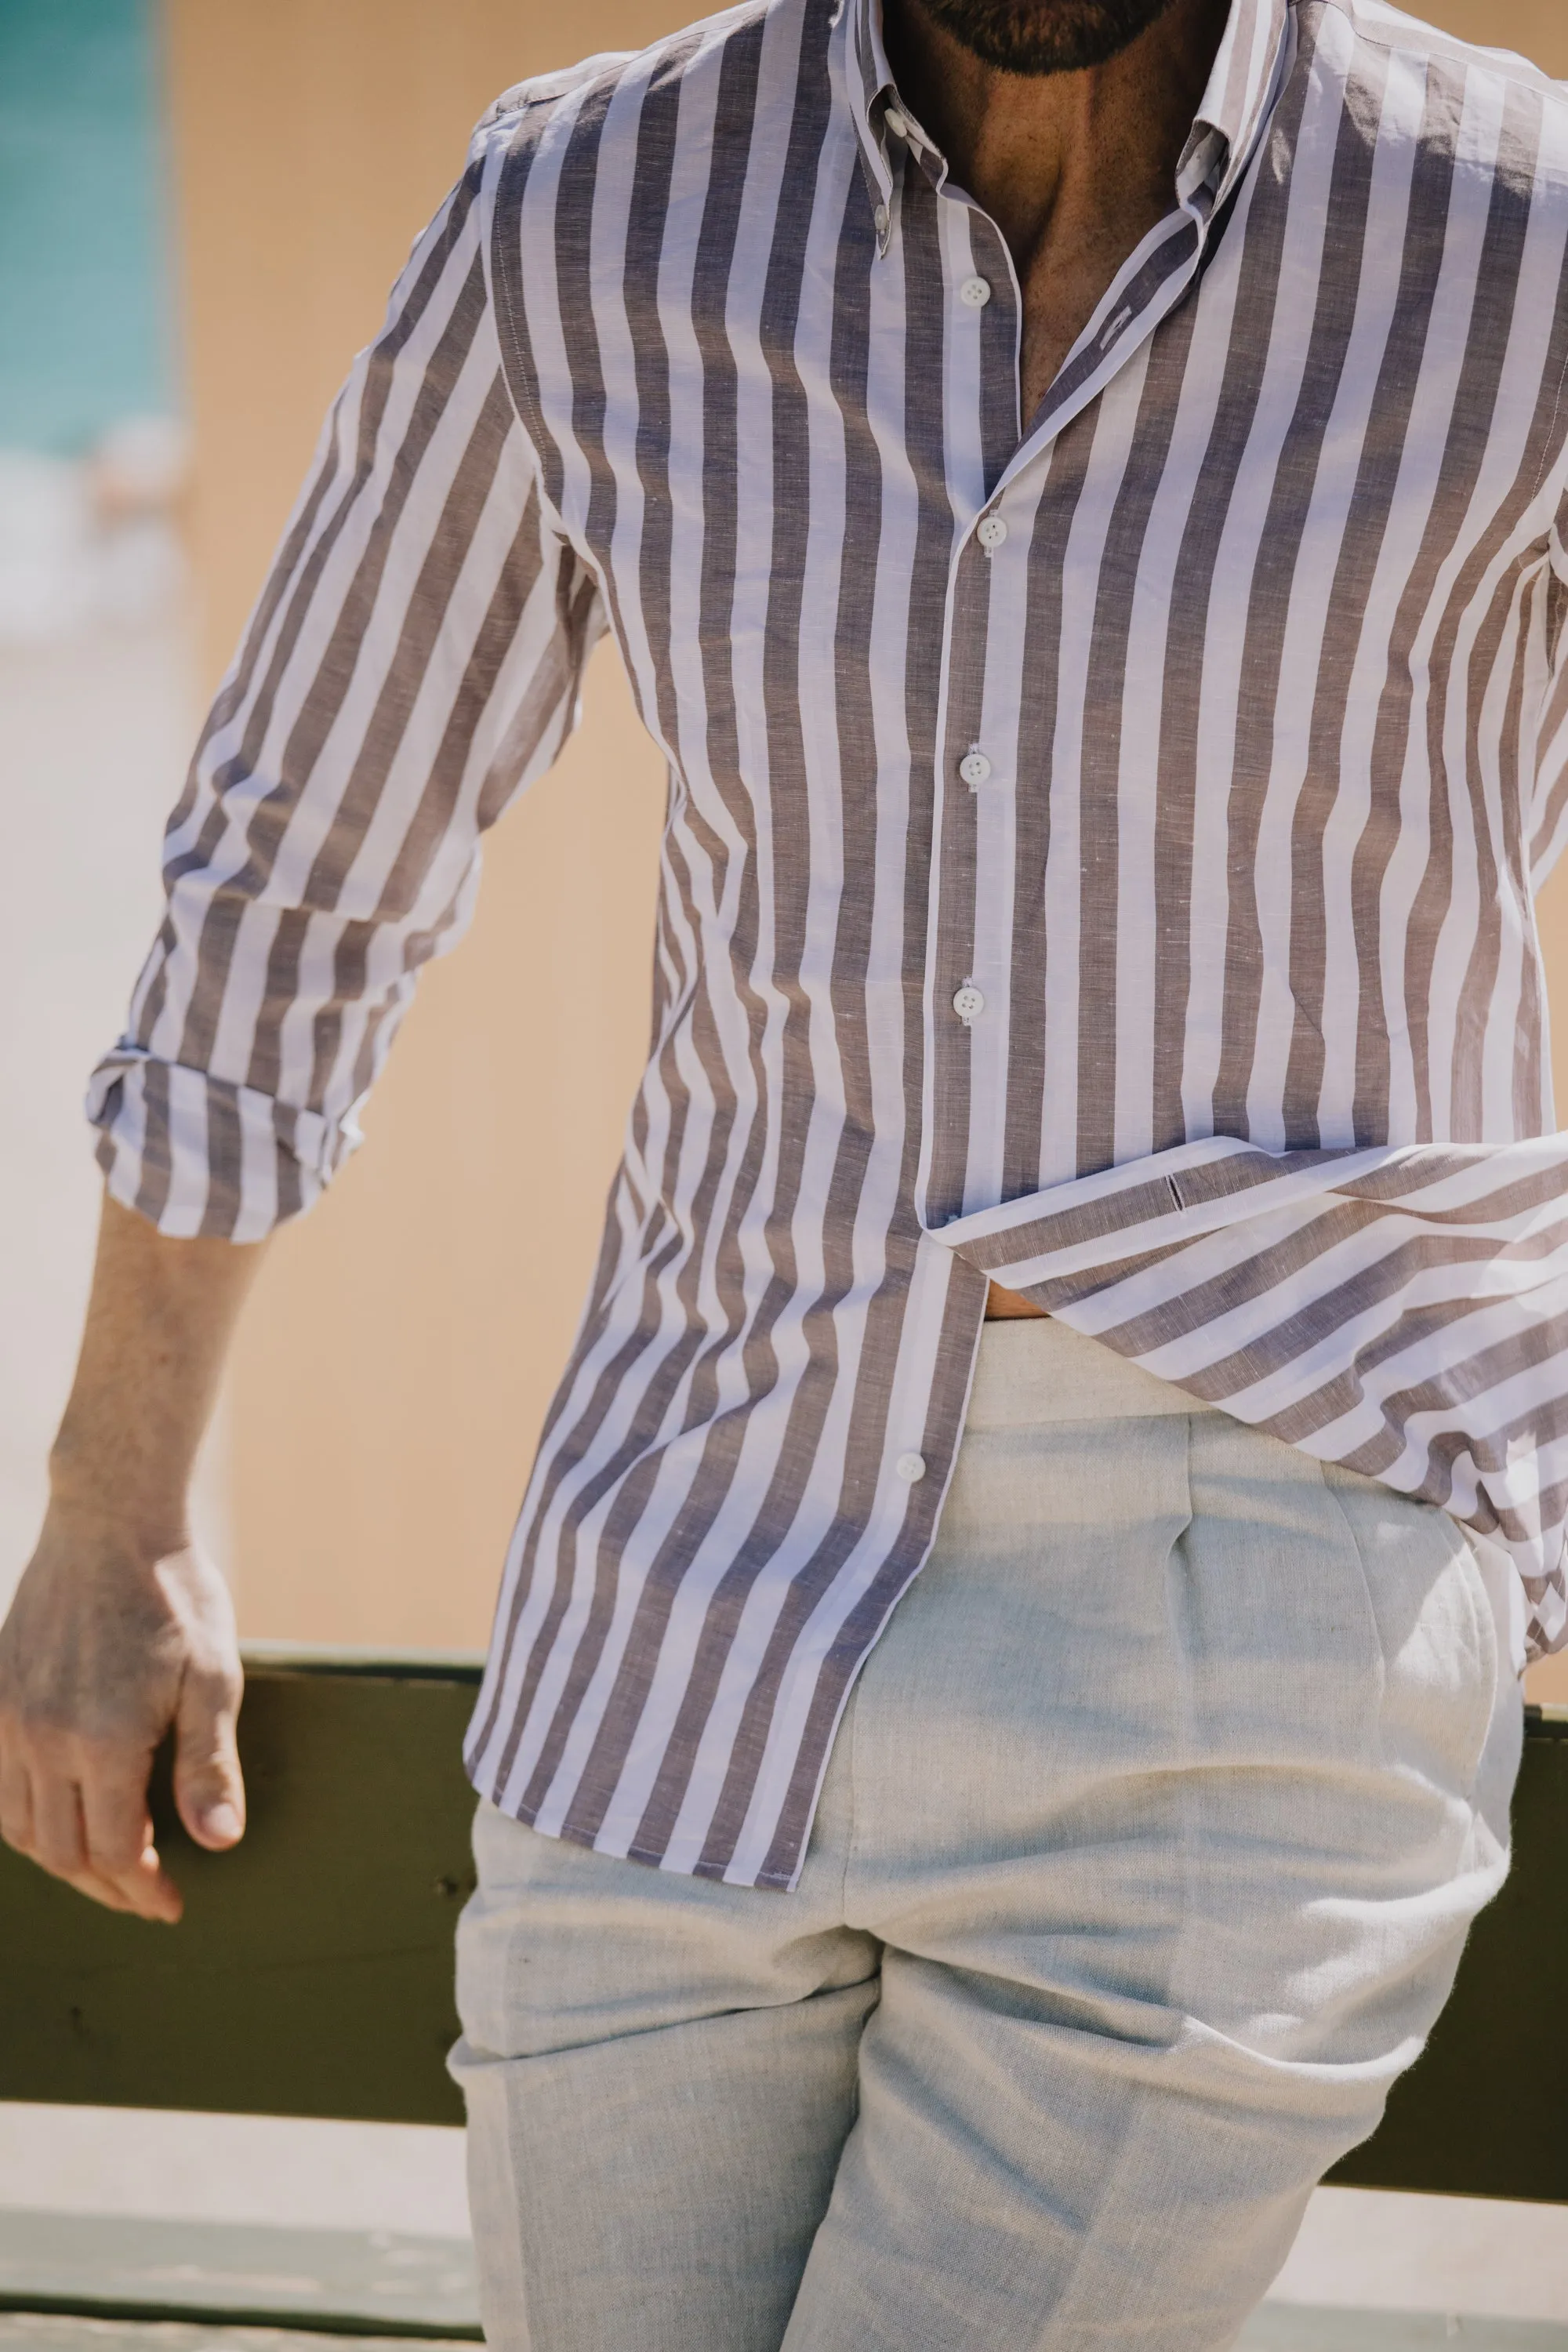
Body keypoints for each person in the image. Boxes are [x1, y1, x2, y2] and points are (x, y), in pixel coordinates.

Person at [3, 0, 1566, 2339]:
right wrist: (116, 1506)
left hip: (1256, 1589)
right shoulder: (590, 202)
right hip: (674, 1591)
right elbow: (301, 866)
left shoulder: (1520, 238)